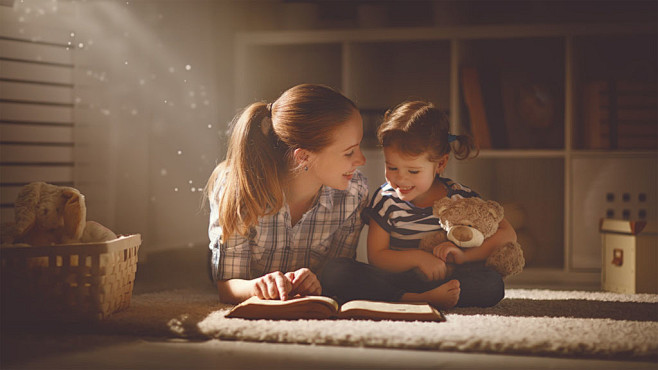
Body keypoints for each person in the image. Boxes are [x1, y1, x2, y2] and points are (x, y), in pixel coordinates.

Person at [320, 101, 517, 309]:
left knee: (491, 284)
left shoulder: (460, 198)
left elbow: (507, 233)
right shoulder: (385, 199)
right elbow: (377, 256)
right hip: (397, 280)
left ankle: (424, 296)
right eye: (392, 167)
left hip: (447, 278)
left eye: (413, 171)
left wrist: (463, 256)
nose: (400, 179)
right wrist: (418, 258)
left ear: (440, 164)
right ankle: (411, 299)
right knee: (335, 272)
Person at [206, 84, 368, 304]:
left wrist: (317, 281)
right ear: (303, 157)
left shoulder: (353, 194)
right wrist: (256, 287)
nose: (361, 160)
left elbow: (338, 275)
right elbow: (228, 285)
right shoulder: (238, 188)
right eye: (349, 152)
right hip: (243, 278)